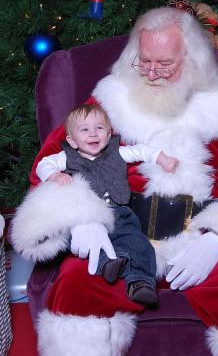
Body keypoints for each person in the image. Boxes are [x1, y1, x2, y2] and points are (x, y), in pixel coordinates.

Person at [12, 7, 218, 356]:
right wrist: (81, 218)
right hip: (122, 234)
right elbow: (52, 162)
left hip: (201, 242)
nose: (151, 73)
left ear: (191, 59)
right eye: (143, 61)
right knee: (75, 285)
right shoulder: (107, 104)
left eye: (164, 63)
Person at [35, 103, 178, 306]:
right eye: (84, 130)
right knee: (81, 242)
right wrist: (54, 175)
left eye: (99, 128)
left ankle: (140, 283)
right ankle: (108, 264)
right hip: (86, 215)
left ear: (109, 133)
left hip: (118, 211)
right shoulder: (65, 157)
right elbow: (43, 164)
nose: (93, 134)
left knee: (137, 242)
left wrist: (162, 158)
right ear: (72, 140)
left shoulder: (116, 152)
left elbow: (140, 151)